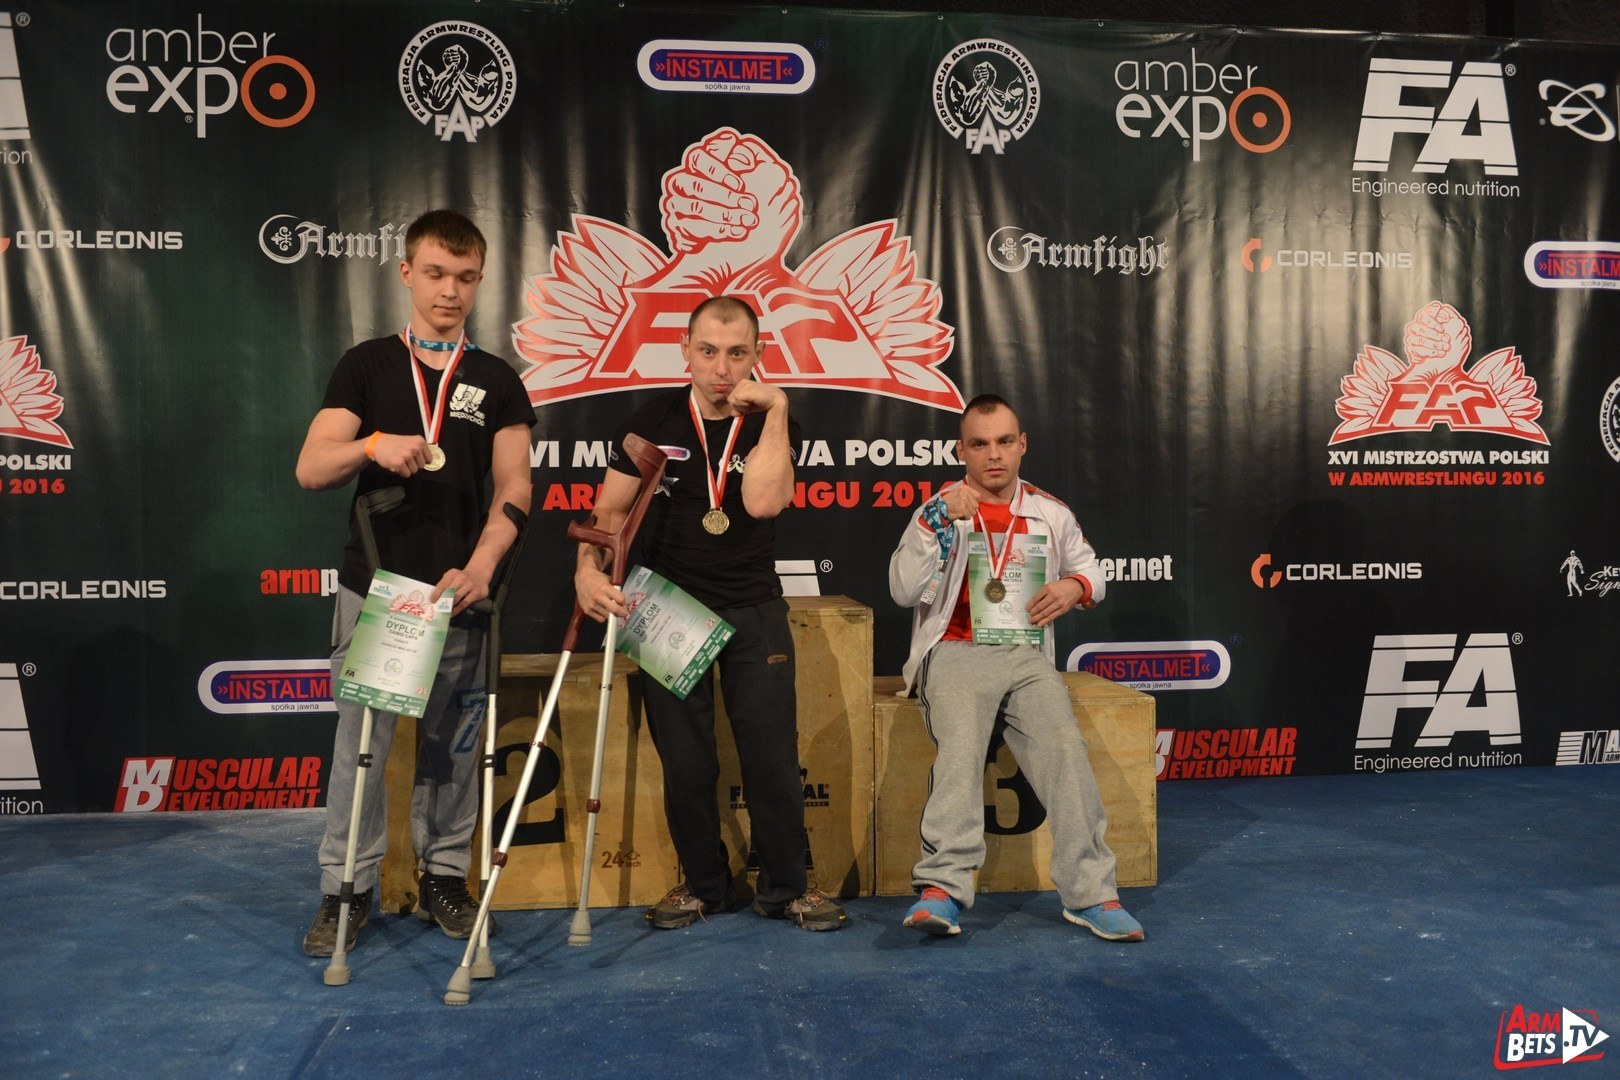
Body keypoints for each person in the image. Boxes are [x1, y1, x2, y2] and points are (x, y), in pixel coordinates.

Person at [294, 209, 535, 957]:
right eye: (435, 273)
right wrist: (370, 443)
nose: (449, 291)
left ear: (480, 280)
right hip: (379, 593)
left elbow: (515, 487)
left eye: (465, 277)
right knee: (360, 748)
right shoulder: (367, 366)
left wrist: (483, 565)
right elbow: (311, 467)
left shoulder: (497, 380)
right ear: (406, 273)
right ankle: (347, 888)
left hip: (459, 594)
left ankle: (445, 878)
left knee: (455, 750)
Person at [574, 295, 846, 932]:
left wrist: (778, 407)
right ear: (685, 351)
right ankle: (703, 885)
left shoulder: (773, 422)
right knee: (688, 762)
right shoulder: (653, 420)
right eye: (708, 352)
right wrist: (586, 571)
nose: (722, 369)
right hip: (667, 606)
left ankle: (786, 888)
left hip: (753, 606)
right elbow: (608, 513)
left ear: (758, 355)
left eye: (737, 353)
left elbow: (764, 503)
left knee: (771, 758)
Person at [888, 394, 1143, 941]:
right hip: (954, 650)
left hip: (1025, 655)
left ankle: (1091, 894)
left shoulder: (1050, 512)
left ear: (1022, 444)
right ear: (961, 450)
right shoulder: (939, 508)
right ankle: (942, 890)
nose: (994, 455)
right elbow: (903, 590)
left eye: (1005, 441)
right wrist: (935, 522)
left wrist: (1074, 586)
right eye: (979, 444)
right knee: (961, 747)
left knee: (1065, 748)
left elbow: (1094, 571)